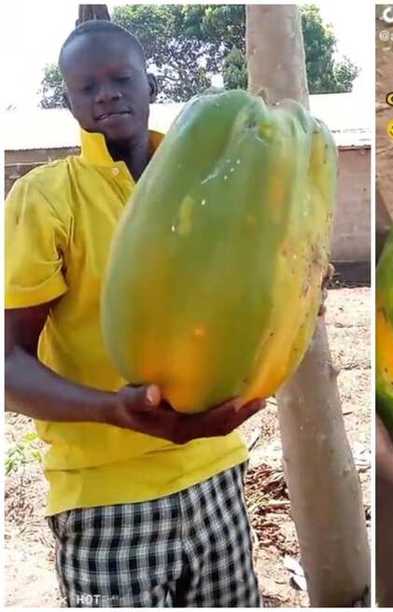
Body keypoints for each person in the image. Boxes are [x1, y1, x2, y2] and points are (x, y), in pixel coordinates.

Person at [5, 21, 276, 606]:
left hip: (217, 473)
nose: (106, 94)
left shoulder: (211, 189)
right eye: (87, 86)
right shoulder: (47, 199)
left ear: (149, 81)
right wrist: (111, 409)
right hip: (106, 498)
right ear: (69, 100)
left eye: (121, 78)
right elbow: (7, 362)